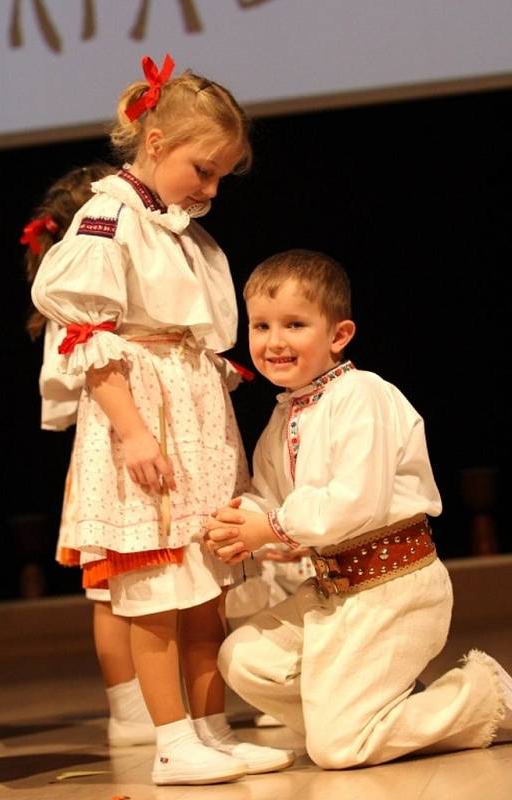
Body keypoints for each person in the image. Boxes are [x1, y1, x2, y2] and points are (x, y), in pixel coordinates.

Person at [31, 54, 294, 785]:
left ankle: (211, 728)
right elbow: (88, 332)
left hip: (191, 409)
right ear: (154, 144)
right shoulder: (109, 215)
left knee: (205, 581)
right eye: (201, 169)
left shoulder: (175, 225)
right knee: (151, 590)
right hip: (142, 412)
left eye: (219, 176)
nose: (209, 189)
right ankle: (171, 739)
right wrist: (135, 430)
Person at [206, 248, 512, 770]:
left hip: (393, 589)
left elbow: (357, 503)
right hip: (334, 591)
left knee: (337, 750)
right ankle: (378, 713)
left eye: (294, 324)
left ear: (338, 335)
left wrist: (272, 526)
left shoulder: (363, 395)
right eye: (261, 325)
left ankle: (490, 698)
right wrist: (240, 520)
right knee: (245, 658)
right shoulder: (283, 421)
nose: (274, 341)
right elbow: (270, 496)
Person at [23, 162, 155, 747]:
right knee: (110, 586)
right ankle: (128, 711)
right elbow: (61, 390)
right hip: (108, 445)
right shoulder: (80, 305)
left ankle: (146, 704)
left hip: (120, 439)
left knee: (142, 584)